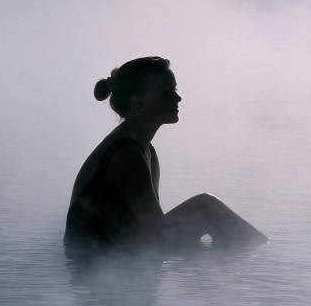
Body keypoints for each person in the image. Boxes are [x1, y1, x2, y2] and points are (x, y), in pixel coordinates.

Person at [64, 56, 267, 254]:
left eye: (175, 90)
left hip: (117, 258)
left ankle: (258, 262)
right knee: (206, 208)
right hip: (93, 263)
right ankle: (264, 261)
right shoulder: (127, 155)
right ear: (138, 102)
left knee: (206, 217)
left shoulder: (145, 150)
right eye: (165, 93)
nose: (177, 98)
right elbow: (160, 238)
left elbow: (153, 230)